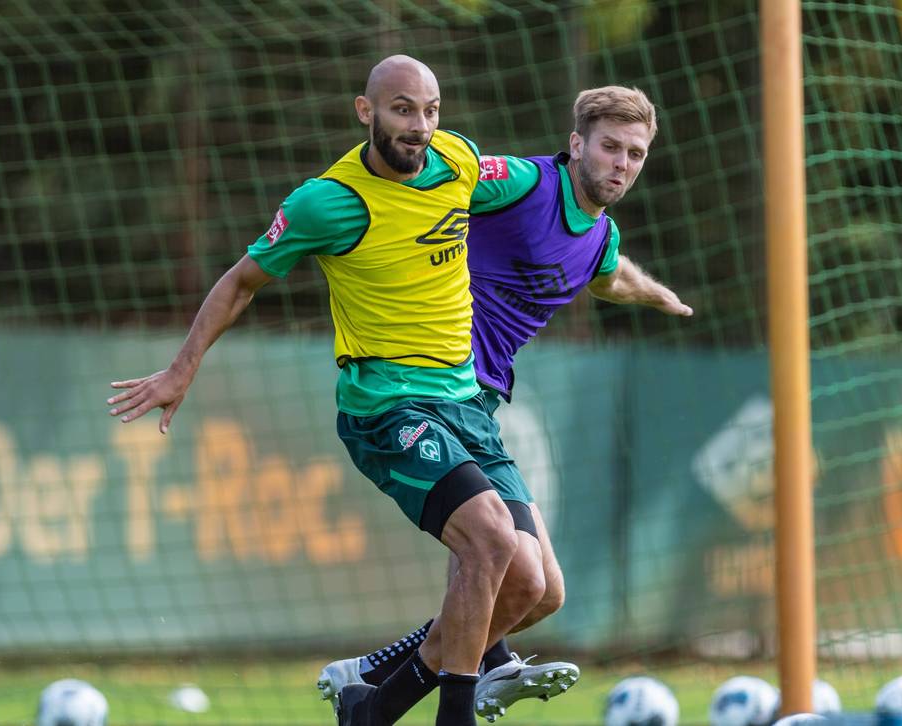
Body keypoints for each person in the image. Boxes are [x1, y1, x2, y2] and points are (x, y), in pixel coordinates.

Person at [106, 55, 545, 726]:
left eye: (430, 110)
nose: (419, 126)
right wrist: (180, 370)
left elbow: (538, 181)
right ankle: (453, 716)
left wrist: (590, 186)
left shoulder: (458, 160)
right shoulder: (328, 202)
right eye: (402, 109)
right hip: (386, 407)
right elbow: (240, 281)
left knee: (533, 586)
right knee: (489, 539)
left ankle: (373, 703)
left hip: (468, 407)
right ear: (365, 111)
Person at [316, 86, 691, 721]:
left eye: (635, 153)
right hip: (423, 385)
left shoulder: (599, 236)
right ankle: (449, 687)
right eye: (609, 147)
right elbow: (440, 173)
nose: (621, 163)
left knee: (540, 591)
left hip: (478, 408)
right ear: (577, 144)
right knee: (494, 552)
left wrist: (660, 296)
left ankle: (375, 689)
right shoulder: (521, 181)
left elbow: (614, 276)